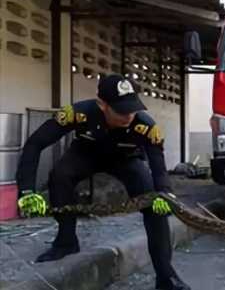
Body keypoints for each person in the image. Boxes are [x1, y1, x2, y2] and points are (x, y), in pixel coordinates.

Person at [15, 74, 191, 290]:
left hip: (126, 159)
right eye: (121, 110)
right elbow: (35, 143)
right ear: (102, 104)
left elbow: (158, 165)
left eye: (132, 108)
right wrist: (26, 191)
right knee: (60, 175)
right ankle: (66, 241)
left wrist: (165, 193)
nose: (128, 115)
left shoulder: (146, 127)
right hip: (85, 153)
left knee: (155, 202)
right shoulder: (77, 113)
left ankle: (166, 275)